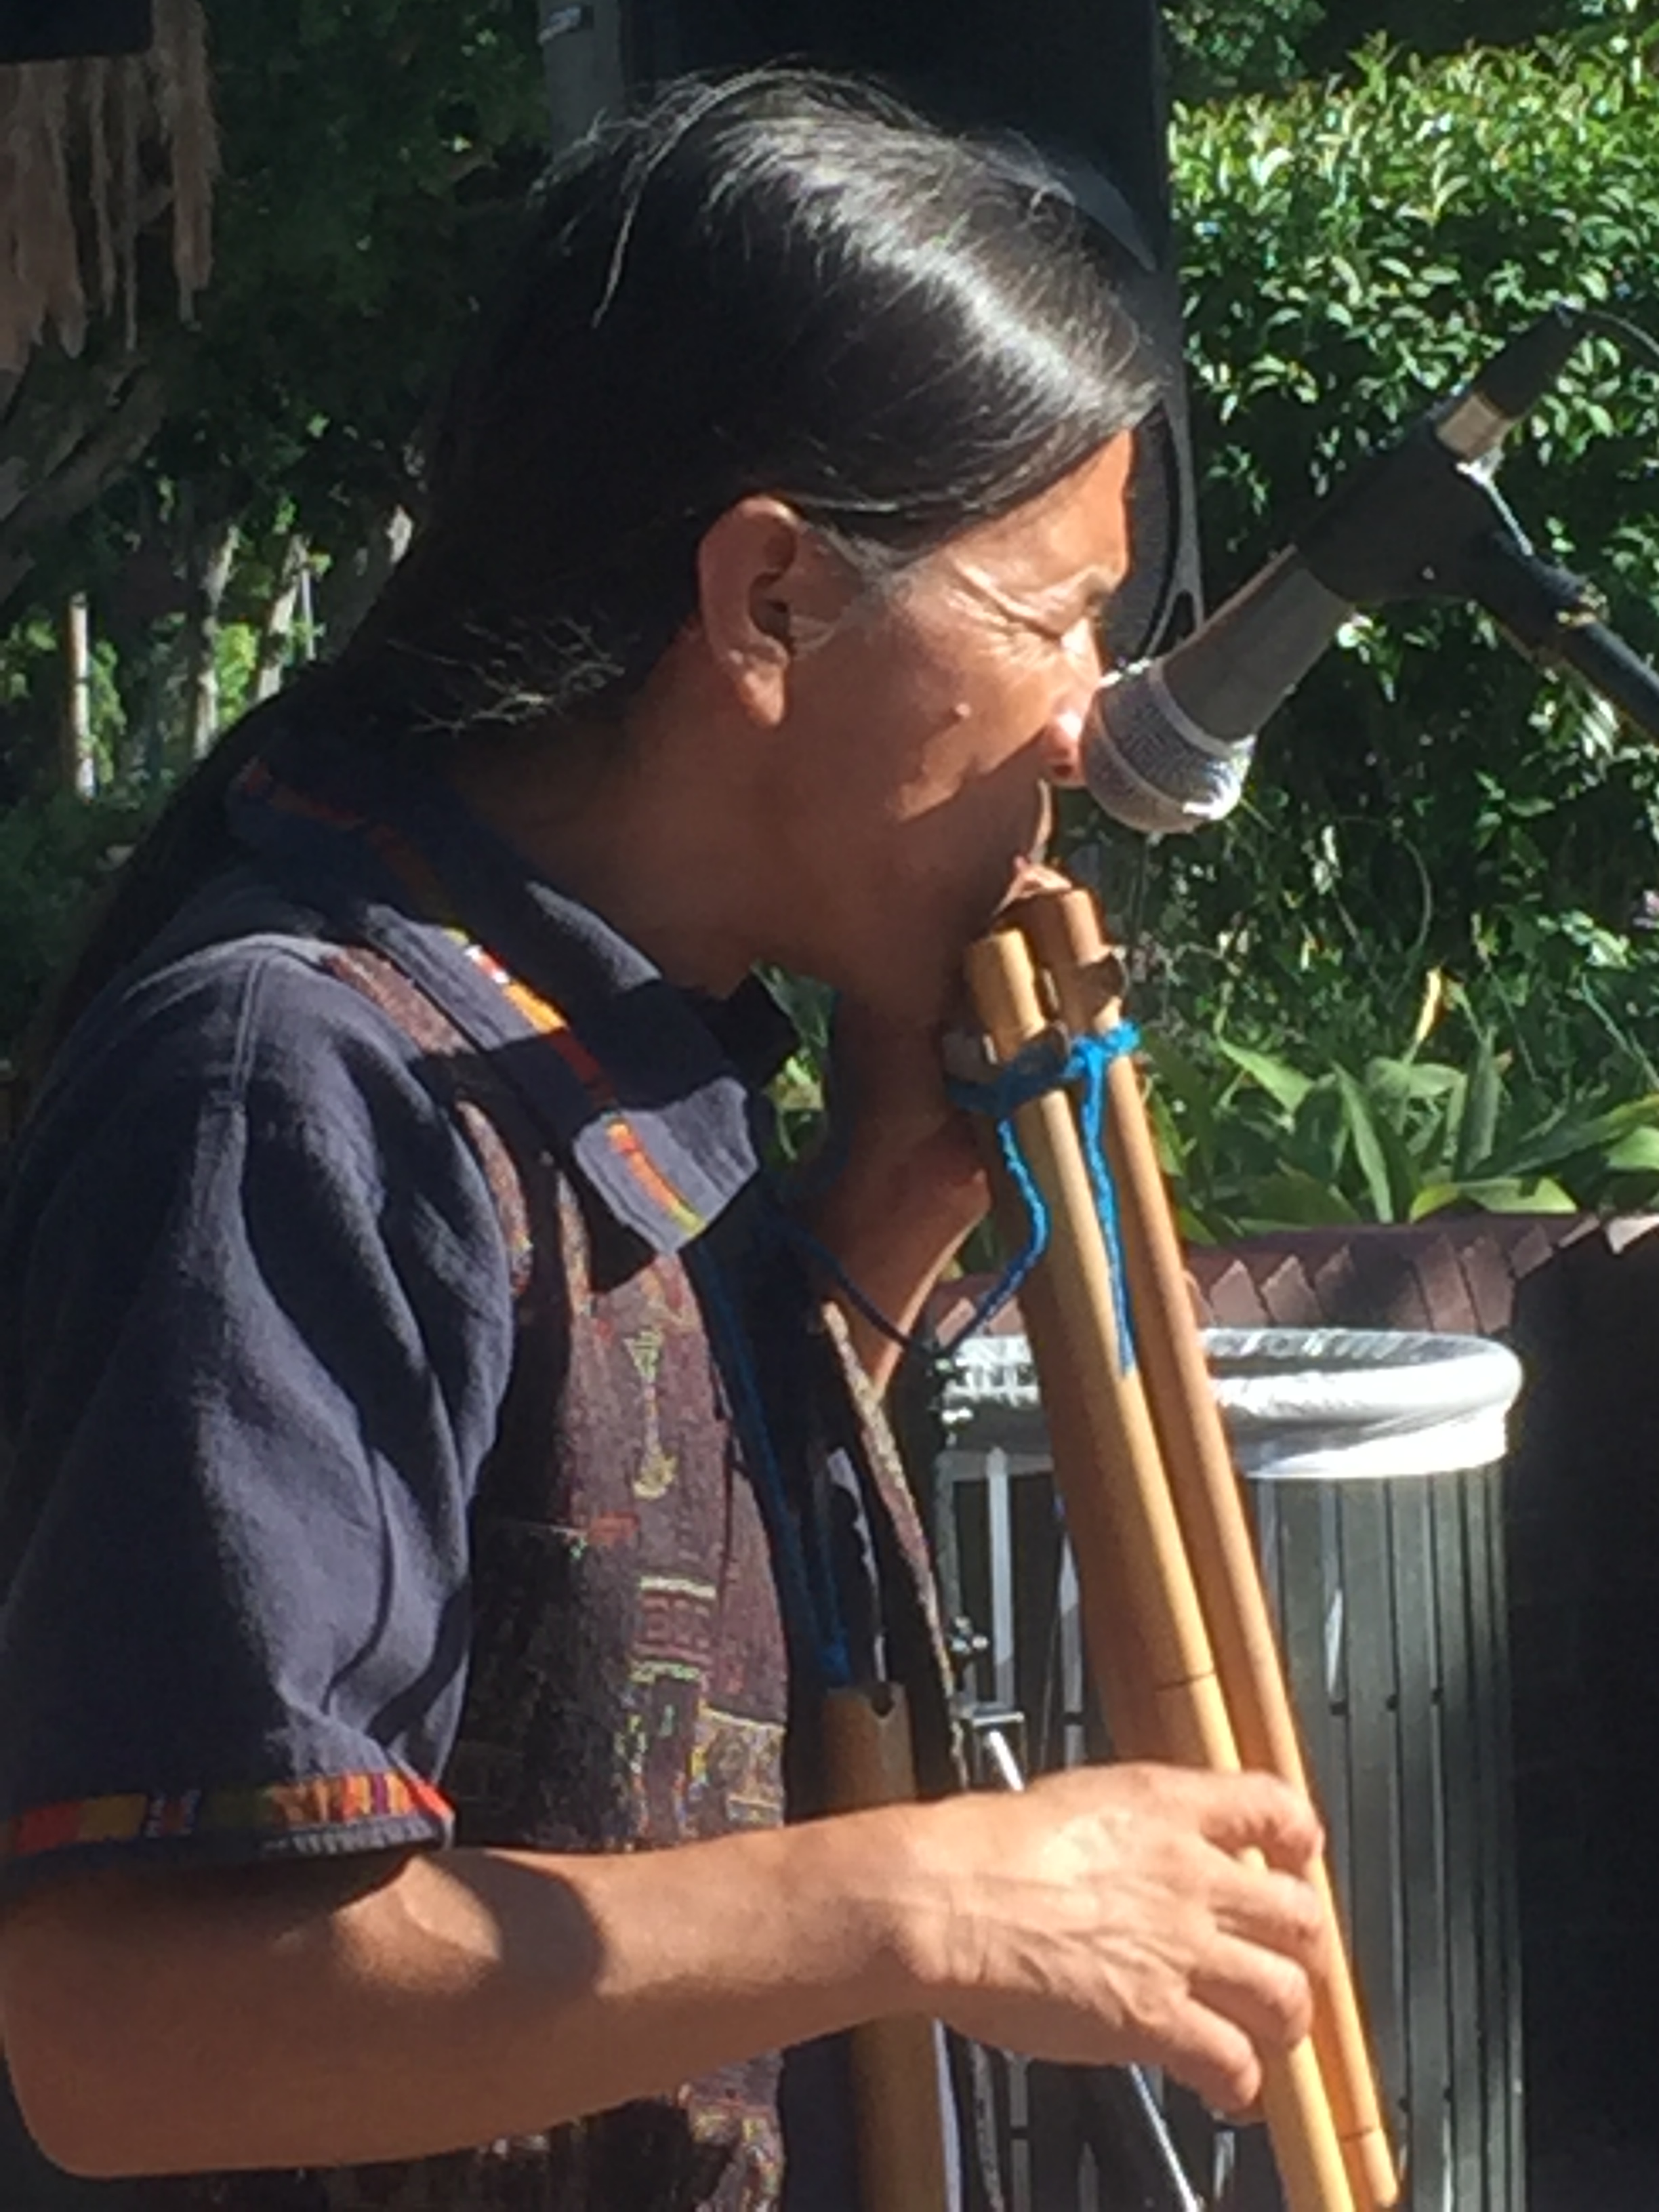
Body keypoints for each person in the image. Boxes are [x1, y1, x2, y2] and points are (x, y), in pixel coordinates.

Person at [0, 68, 1326, 2212]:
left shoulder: (620, 1041)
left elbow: (602, 1669)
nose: (1096, 723)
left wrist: (879, 1225)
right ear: (771, 599)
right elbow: (136, 2028)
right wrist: (926, 1897)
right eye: (1054, 618)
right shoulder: (304, 1088)